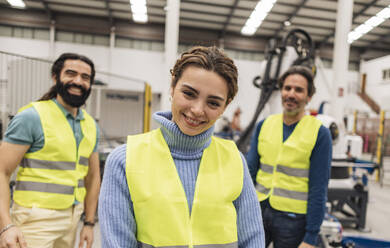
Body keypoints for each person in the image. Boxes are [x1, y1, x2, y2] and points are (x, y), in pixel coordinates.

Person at [99, 46, 265, 248]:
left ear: (225, 106)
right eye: (189, 93)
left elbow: (252, 240)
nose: (197, 110)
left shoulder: (234, 160)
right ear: (172, 86)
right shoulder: (124, 160)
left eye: (213, 103)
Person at [0, 53, 101, 248]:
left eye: (85, 77)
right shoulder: (32, 117)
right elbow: (2, 171)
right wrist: (6, 226)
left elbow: (93, 176)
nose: (78, 81)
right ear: (55, 77)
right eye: (71, 73)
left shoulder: (90, 125)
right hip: (34, 219)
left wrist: (88, 222)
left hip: (72, 220)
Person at [246, 65, 332, 248]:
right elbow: (249, 172)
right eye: (287, 88)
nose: (291, 94)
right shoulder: (264, 125)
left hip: (293, 220)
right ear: (281, 91)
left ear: (309, 97)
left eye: (299, 90)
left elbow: (319, 188)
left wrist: (311, 236)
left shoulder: (320, 133)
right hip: (258, 211)